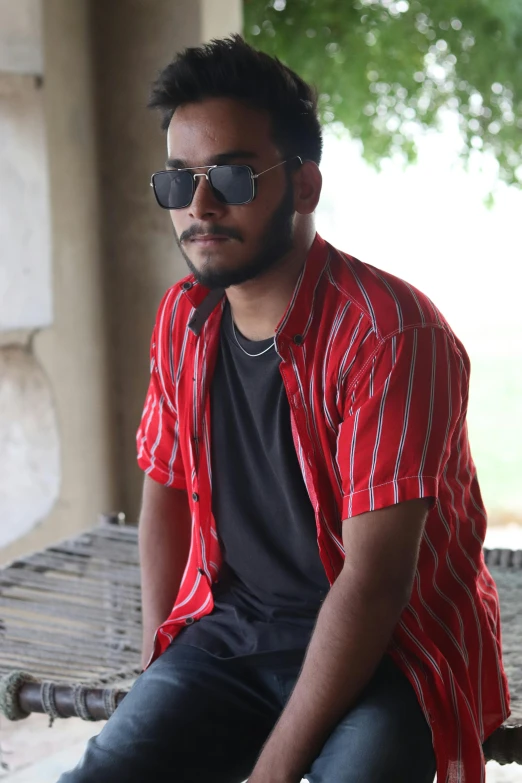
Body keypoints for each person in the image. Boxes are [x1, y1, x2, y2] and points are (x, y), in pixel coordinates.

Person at [59, 35, 509, 783]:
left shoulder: (390, 333)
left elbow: (374, 584)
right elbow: (165, 488)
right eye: (178, 181)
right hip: (232, 635)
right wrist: (156, 665)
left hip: (394, 651)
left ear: (304, 187)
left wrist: (270, 773)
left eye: (231, 176)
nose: (198, 206)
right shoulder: (185, 317)